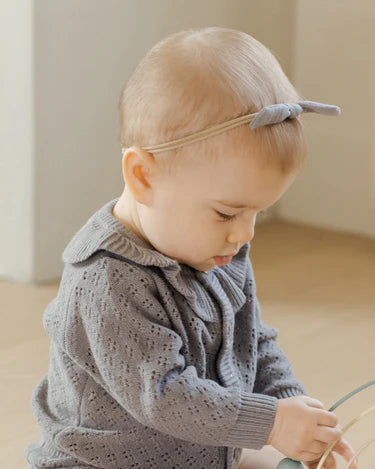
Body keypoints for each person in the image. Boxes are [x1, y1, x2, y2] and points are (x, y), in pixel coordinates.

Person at [25, 27, 358, 469]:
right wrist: (272, 424)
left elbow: (252, 341)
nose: (245, 234)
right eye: (226, 213)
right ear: (143, 176)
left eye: (257, 212)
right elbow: (165, 395)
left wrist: (293, 407)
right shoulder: (105, 282)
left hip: (202, 451)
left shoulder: (218, 247)